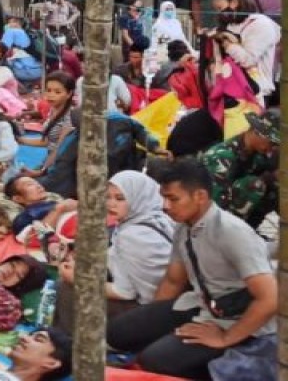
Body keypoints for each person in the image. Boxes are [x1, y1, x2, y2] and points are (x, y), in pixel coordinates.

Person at [108, 158, 277, 379]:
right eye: (164, 198)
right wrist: (151, 323)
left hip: (240, 318)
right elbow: (173, 280)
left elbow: (270, 298)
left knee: (155, 360)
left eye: (173, 199)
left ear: (200, 197)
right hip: (201, 303)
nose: (165, 206)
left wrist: (225, 337)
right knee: (117, 333)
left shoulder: (232, 232)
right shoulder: (184, 226)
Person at [105, 170, 177, 310]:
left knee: (68, 290)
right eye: (108, 197)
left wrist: (79, 279)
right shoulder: (160, 217)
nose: (111, 204)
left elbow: (125, 292)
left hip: (151, 309)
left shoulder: (133, 235)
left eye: (120, 198)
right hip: (175, 304)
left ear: (138, 197)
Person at [201, 110, 281, 227]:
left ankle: (249, 228)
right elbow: (215, 201)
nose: (272, 148)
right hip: (211, 215)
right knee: (254, 185)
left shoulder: (257, 154)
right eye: (271, 142)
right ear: (256, 132)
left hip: (230, 211)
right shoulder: (221, 156)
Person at [209, 0, 281, 103]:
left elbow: (248, 60)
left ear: (234, 2)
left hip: (255, 91)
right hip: (229, 88)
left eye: (220, 7)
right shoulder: (229, 25)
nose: (219, 13)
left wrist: (227, 43)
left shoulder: (260, 24)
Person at [5, 175, 77, 238]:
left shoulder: (54, 202)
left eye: (36, 182)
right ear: (18, 198)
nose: (38, 185)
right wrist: (59, 209)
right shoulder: (23, 218)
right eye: (29, 184)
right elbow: (34, 238)